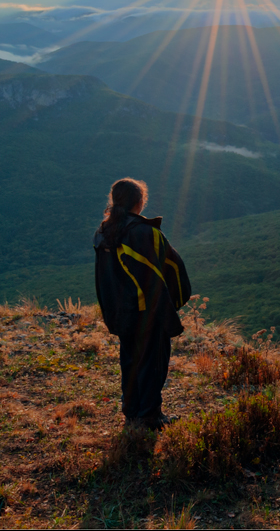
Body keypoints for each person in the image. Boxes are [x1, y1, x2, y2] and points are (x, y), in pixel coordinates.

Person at [93, 178, 190, 429]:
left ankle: (132, 411)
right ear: (140, 202)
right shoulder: (145, 233)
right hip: (146, 311)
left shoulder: (103, 232)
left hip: (119, 311)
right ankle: (149, 417)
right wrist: (170, 311)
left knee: (130, 360)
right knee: (153, 363)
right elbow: (163, 274)